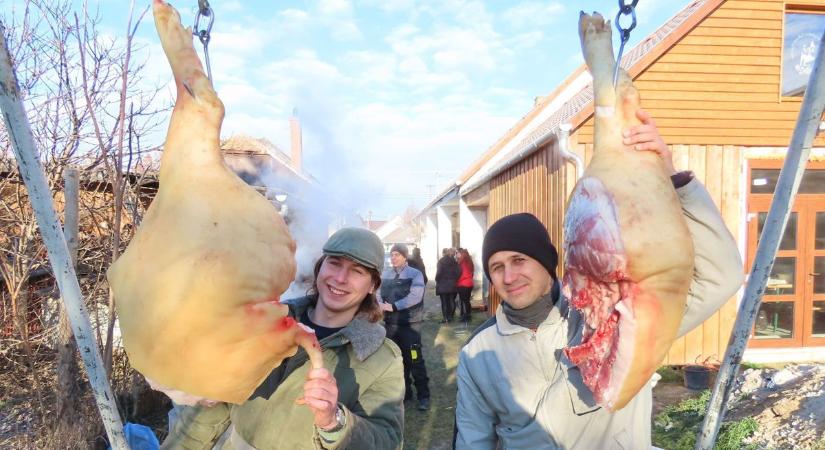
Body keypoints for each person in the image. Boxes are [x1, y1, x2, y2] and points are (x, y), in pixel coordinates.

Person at [453, 111, 744, 449]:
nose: (509, 276)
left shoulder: (614, 319)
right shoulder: (479, 352)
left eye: (519, 260)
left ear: (548, 264)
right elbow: (474, 439)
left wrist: (671, 178)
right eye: (496, 266)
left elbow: (721, 277)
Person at [162, 227, 405, 450]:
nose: (340, 278)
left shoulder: (381, 358)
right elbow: (216, 405)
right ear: (320, 268)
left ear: (373, 285)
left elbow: (387, 441)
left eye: (357, 271)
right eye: (335, 263)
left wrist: (335, 422)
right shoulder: (267, 323)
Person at [376, 243, 431, 411]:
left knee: (414, 359)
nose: (393, 258)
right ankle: (405, 394)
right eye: (391, 255)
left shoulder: (415, 274)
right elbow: (377, 292)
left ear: (405, 257)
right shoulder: (385, 274)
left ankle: (424, 396)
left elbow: (415, 296)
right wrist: (379, 304)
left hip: (410, 325)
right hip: (391, 325)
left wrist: (394, 306)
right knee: (396, 361)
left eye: (397, 255)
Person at [435, 248, 461, 323]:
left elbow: (439, 273)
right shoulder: (454, 261)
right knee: (452, 300)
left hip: (443, 284)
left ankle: (445, 318)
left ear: (443, 253)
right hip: (452, 284)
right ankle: (451, 317)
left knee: (444, 302)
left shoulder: (441, 261)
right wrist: (455, 279)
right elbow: (459, 271)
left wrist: (437, 279)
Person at [456, 248, 475, 324]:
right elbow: (472, 272)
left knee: (463, 301)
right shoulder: (469, 261)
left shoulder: (461, 261)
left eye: (457, 253)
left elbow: (459, 273)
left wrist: (456, 280)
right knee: (467, 301)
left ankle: (464, 316)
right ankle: (468, 316)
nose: (456, 254)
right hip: (469, 283)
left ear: (460, 253)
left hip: (462, 284)